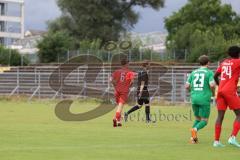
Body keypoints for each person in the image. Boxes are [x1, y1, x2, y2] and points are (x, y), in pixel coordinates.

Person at [213, 46, 240, 147]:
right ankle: (232, 137)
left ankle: (216, 141)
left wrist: (220, 85)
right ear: (238, 54)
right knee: (239, 114)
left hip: (220, 90)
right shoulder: (238, 62)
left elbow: (215, 76)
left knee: (220, 116)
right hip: (229, 91)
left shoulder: (224, 62)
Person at [185, 55, 215, 144]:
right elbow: (212, 85)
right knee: (204, 121)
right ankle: (195, 129)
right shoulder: (209, 72)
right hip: (204, 98)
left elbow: (186, 86)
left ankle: (193, 139)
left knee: (197, 119)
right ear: (208, 63)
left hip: (194, 98)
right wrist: (213, 92)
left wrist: (192, 91)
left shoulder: (193, 72)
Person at [111, 58, 135, 127]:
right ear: (126, 64)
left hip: (117, 91)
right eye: (128, 63)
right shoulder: (130, 72)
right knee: (120, 106)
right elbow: (132, 81)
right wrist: (129, 86)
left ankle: (118, 122)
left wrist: (115, 86)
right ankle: (115, 118)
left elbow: (111, 80)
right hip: (124, 92)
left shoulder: (116, 71)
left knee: (119, 106)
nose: (129, 65)